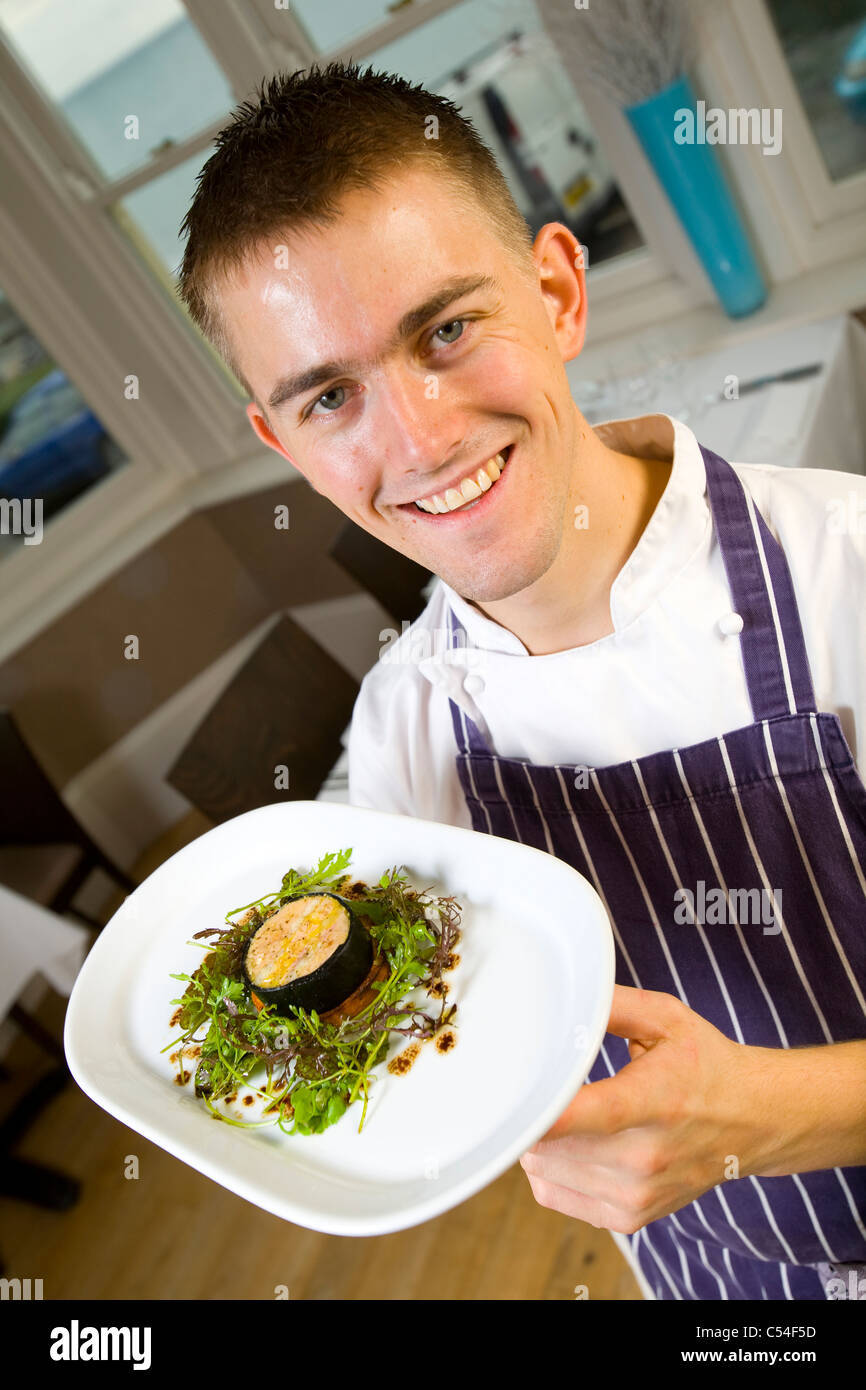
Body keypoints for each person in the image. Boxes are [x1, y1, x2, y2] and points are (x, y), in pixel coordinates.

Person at [177, 61, 866, 1302]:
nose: (421, 438)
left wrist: (772, 1112)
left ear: (554, 290)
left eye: (445, 329)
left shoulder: (845, 572)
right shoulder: (400, 744)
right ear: (284, 443)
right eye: (331, 396)